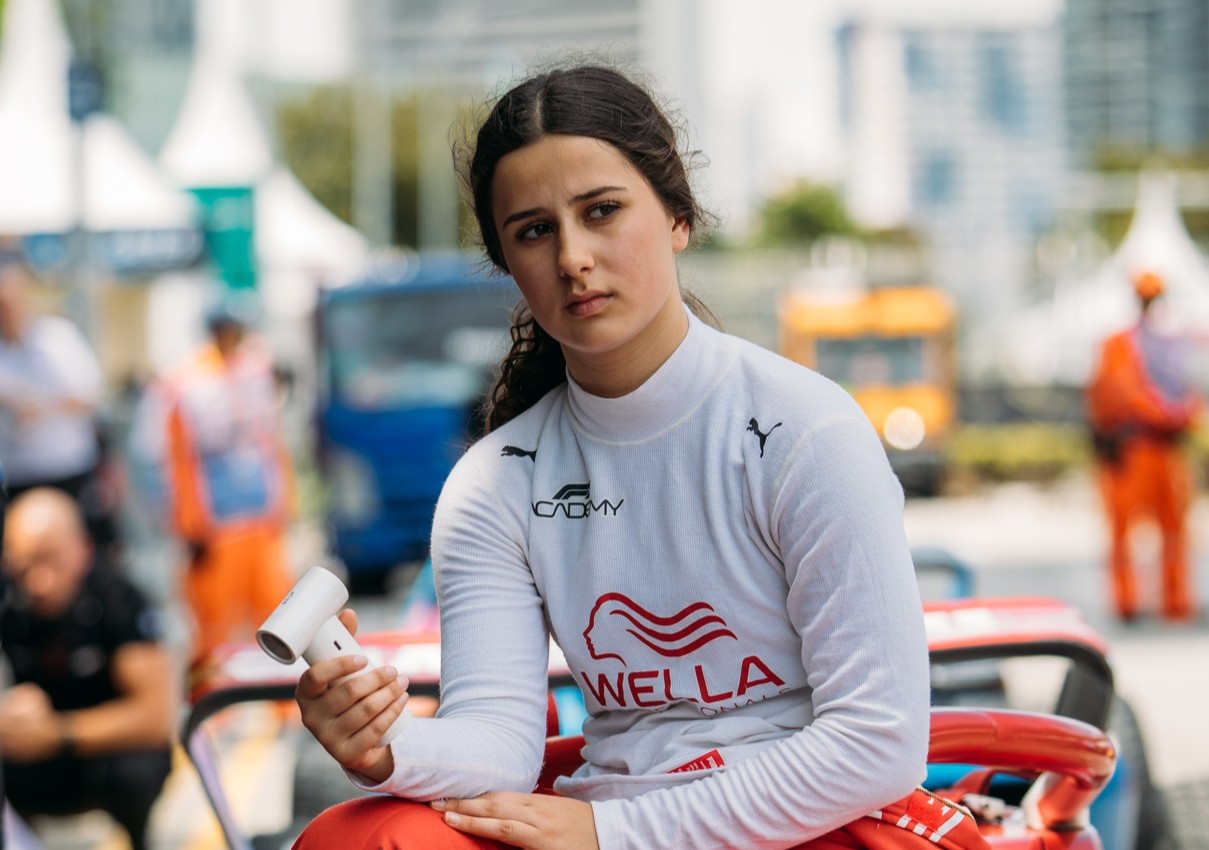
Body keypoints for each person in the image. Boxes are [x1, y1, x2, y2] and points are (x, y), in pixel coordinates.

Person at [289, 65, 986, 850]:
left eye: (602, 211)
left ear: (677, 216)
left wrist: (619, 832)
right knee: (353, 837)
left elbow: (876, 742)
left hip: (807, 825)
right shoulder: (494, 482)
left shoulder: (804, 429)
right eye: (534, 230)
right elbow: (499, 743)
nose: (573, 257)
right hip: (602, 817)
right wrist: (383, 746)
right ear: (507, 261)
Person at [0, 488, 174, 850]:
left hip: (107, 754)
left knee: (136, 771)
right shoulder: (11, 604)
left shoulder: (117, 599)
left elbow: (155, 718)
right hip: (40, 757)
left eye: (50, 560)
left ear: (82, 549)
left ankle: (141, 840)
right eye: (24, 565)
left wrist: (57, 733)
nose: (39, 581)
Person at [161, 291, 295, 671]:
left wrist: (285, 500)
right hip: (217, 523)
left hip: (260, 516)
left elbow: (272, 441)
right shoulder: (186, 383)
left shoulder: (257, 371)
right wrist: (189, 523)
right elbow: (176, 457)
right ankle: (212, 695)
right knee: (213, 620)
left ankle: (282, 694)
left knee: (277, 611)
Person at [1087, 269, 1201, 621]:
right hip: (1132, 449)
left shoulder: (1172, 343)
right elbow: (1126, 395)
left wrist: (1185, 413)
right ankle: (1127, 602)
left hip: (1166, 449)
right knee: (1123, 529)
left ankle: (1176, 601)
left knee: (1174, 529)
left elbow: (1190, 390)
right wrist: (1172, 413)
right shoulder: (1119, 344)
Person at [0, 252, 119, 564]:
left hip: (70, 468)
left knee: (86, 559)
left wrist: (42, 408)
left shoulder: (57, 337)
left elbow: (92, 394)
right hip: (19, 475)